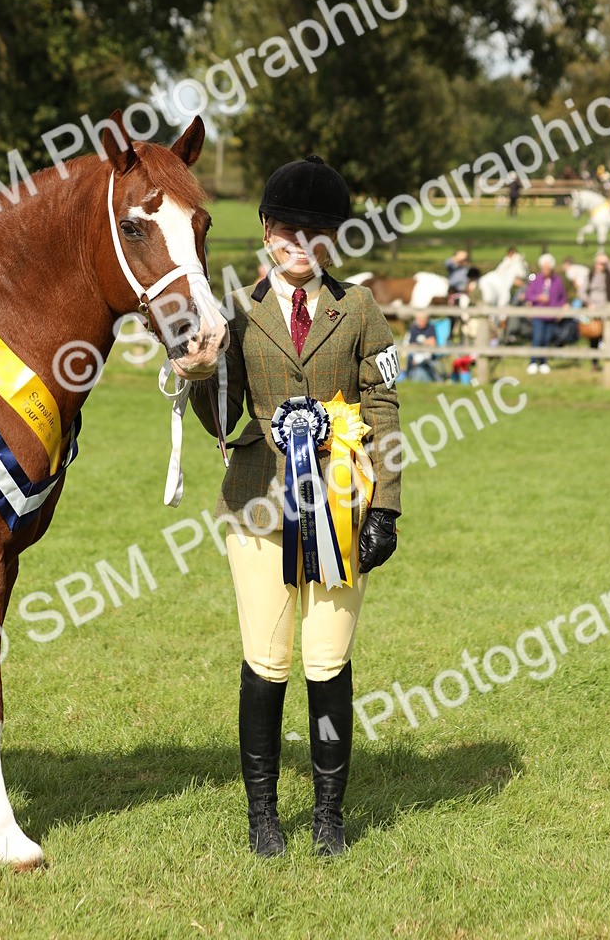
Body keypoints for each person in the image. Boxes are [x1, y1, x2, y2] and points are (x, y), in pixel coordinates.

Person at [185, 155, 401, 859]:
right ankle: (262, 816)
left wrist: (387, 508)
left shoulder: (361, 308)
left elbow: (385, 409)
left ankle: (330, 816)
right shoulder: (237, 313)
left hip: (342, 505)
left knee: (327, 660)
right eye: (288, 233)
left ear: (332, 239)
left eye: (316, 234)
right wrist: (199, 372)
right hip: (258, 505)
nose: (300, 247)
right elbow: (220, 421)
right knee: (266, 661)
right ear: (268, 232)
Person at [524, 253, 567, 374]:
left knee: (547, 339)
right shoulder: (536, 279)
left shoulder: (557, 280)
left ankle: (543, 362)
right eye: (543, 268)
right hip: (538, 314)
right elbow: (528, 295)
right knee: (537, 338)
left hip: (552, 315)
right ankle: (533, 362)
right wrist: (538, 298)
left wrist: (560, 310)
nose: (545, 270)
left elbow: (562, 298)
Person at [585, 253, 610, 369]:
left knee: (609, 335)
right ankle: (594, 363)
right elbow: (582, 291)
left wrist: (607, 261)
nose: (601, 265)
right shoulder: (590, 275)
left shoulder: (609, 274)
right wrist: (589, 302)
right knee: (594, 335)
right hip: (594, 309)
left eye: (603, 264)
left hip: (607, 308)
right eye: (599, 263)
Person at [406, 311, 441, 381]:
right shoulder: (413, 328)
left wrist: (421, 343)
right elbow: (411, 345)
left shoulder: (430, 327)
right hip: (416, 352)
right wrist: (426, 342)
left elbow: (433, 343)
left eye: (423, 319)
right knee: (411, 356)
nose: (421, 321)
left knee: (423, 358)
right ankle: (409, 376)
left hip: (428, 353)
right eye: (419, 319)